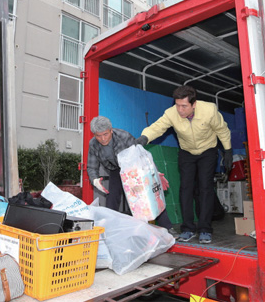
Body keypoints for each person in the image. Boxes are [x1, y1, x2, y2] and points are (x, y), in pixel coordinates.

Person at [136, 85, 232, 244]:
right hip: (187, 151)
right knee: (186, 188)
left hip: (207, 150)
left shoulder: (209, 110)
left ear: (194, 104)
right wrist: (144, 138)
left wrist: (228, 150)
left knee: (205, 188)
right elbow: (158, 127)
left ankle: (205, 229)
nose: (180, 110)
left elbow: (222, 130)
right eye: (177, 105)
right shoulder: (172, 113)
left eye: (184, 106)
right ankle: (188, 228)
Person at [86, 116, 174, 231]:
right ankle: (108, 229)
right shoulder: (93, 144)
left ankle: (167, 227)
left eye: (105, 134)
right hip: (115, 170)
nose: (102, 139)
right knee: (112, 198)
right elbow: (91, 166)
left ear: (111, 130)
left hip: (133, 168)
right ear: (94, 135)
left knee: (147, 197)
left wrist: (154, 174)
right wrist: (95, 180)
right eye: (98, 135)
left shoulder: (124, 136)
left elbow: (140, 154)